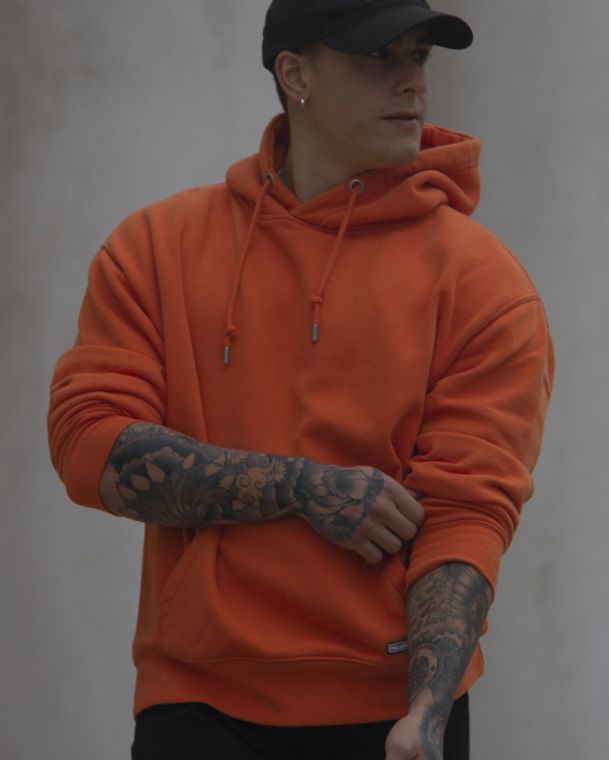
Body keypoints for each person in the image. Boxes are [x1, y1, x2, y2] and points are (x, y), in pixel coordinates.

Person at [47, 1, 555, 758]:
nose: (412, 82)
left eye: (419, 56)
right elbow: (89, 446)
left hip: (391, 713)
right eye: (378, 57)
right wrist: (303, 488)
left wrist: (426, 713)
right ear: (295, 75)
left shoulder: (484, 282)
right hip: (198, 702)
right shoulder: (157, 247)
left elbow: (467, 511)